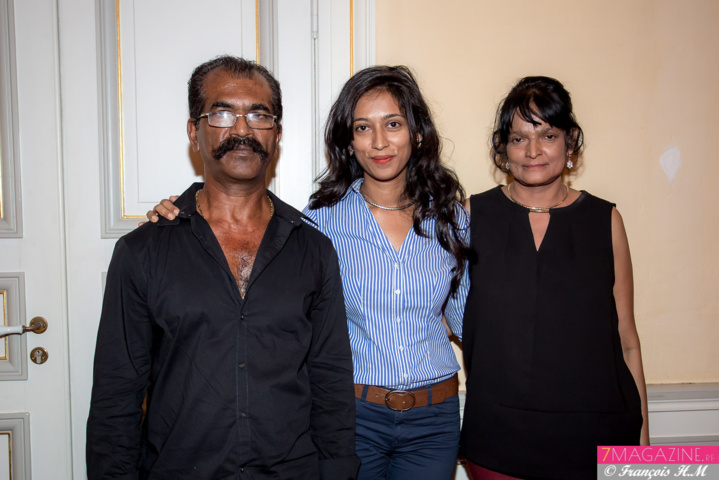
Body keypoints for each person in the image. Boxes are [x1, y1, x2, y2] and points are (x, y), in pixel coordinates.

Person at [148, 65, 470, 480]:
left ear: (417, 133)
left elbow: (467, 321)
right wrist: (177, 213)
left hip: (434, 419)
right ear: (348, 141)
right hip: (355, 416)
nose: (379, 142)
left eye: (393, 124)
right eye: (362, 128)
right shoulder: (319, 223)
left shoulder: (452, 220)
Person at [86, 55, 360, 480]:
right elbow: (116, 395)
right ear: (194, 132)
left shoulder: (313, 250)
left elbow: (331, 385)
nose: (242, 130)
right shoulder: (143, 251)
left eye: (259, 115)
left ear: (277, 134)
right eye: (223, 113)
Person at [460, 76, 649, 480]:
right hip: (498, 435)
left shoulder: (605, 220)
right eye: (518, 138)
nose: (533, 151)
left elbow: (628, 341)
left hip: (596, 434)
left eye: (547, 135)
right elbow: (436, 308)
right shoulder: (472, 216)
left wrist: (643, 447)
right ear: (503, 147)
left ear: (570, 142)